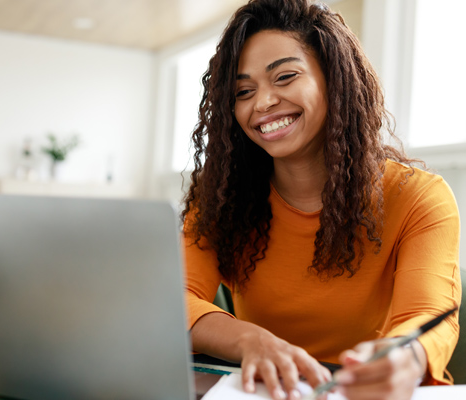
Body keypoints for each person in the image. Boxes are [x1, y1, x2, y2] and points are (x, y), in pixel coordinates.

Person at [181, 1, 461, 399]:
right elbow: (174, 302)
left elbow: (427, 316)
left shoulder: (419, 198)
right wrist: (249, 340)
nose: (262, 103)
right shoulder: (222, 199)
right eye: (244, 91)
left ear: (335, 79)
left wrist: (408, 357)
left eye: (285, 77)